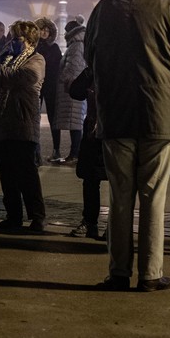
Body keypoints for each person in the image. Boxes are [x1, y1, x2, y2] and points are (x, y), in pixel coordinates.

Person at [86, 0, 170, 292]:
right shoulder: (167, 8)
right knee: (153, 197)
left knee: (119, 198)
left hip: (115, 114)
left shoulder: (103, 8)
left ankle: (118, 272)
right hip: (158, 114)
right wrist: (164, 79)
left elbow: (90, 57)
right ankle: (150, 274)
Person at [0, 20, 47, 232]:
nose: (12, 41)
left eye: (16, 38)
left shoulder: (36, 59)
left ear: (29, 40)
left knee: (27, 175)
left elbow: (25, 77)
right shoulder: (6, 58)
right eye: (12, 37)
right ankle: (13, 216)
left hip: (20, 123)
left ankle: (37, 218)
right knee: (7, 175)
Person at [67, 66, 105, 240]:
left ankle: (116, 226)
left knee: (120, 182)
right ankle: (90, 222)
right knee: (90, 179)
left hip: (115, 129)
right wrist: (89, 71)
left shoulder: (122, 63)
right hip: (93, 130)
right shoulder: (95, 69)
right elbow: (76, 91)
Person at [53, 17, 87, 164]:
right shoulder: (78, 44)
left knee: (75, 124)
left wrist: (63, 79)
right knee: (75, 122)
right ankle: (74, 154)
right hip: (73, 89)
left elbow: (73, 67)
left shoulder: (77, 46)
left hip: (71, 90)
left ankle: (75, 155)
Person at [35, 17, 63, 163]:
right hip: (37, 85)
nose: (45, 32)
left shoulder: (54, 48)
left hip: (51, 85)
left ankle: (56, 150)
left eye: (47, 30)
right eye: (42, 29)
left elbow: (56, 67)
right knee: (34, 117)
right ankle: (35, 151)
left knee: (54, 118)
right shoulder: (34, 47)